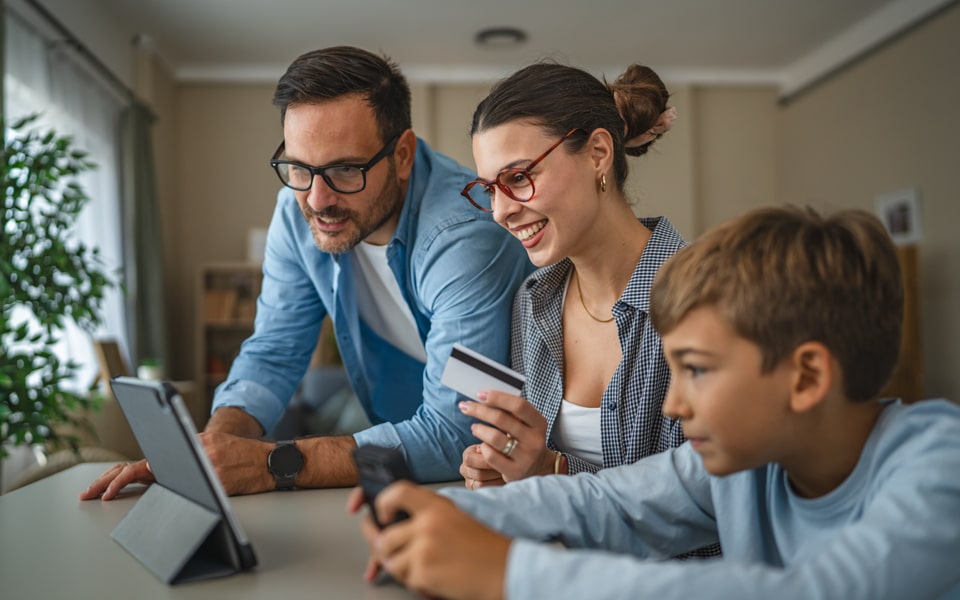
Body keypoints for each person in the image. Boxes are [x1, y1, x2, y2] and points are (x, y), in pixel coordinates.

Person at [351, 205, 960, 599]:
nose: (673, 404)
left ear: (805, 378)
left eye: (696, 370)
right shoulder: (755, 456)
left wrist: (508, 574)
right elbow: (606, 502)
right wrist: (443, 520)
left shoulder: (939, 465)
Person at [80, 46, 531, 500]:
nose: (317, 200)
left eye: (344, 169)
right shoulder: (296, 215)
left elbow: (458, 430)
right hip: (400, 466)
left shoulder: (464, 236)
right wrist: (213, 448)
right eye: (299, 167)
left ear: (402, 156)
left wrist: (272, 463)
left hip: (502, 473)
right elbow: (275, 351)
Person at [453, 62, 685, 487]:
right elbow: (531, 468)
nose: (501, 212)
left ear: (598, 153)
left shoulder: (705, 297)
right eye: (489, 189)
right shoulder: (533, 299)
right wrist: (505, 468)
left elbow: (709, 498)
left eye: (519, 177)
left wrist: (550, 469)